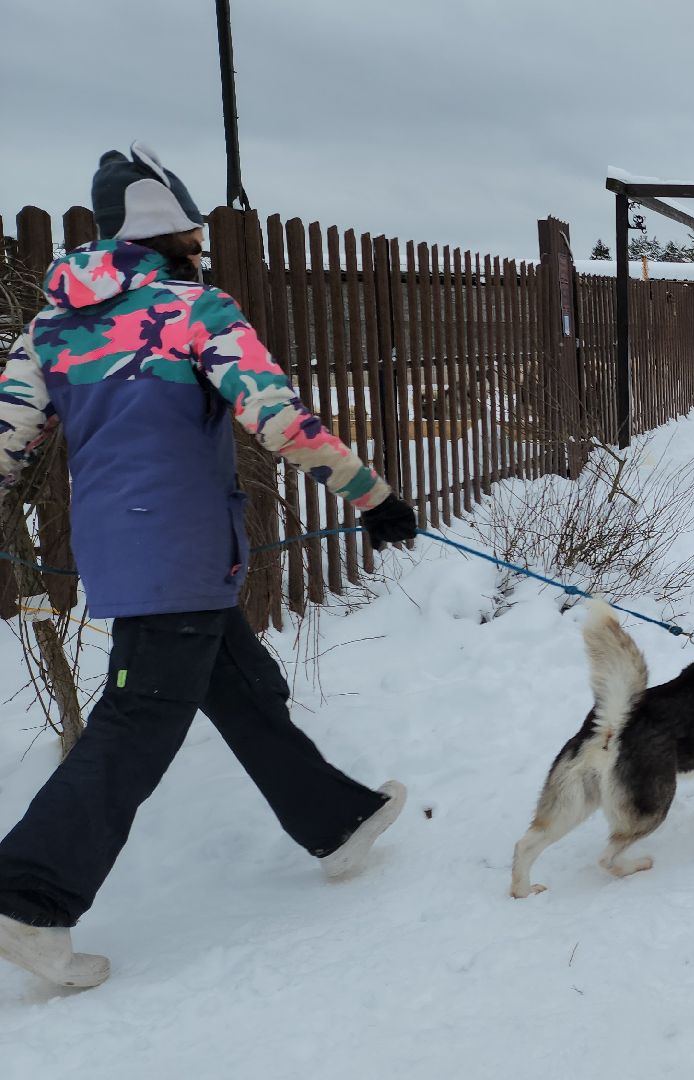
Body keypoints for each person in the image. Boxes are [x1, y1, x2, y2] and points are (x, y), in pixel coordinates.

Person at [0, 144, 419, 988]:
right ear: (172, 230)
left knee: (241, 685)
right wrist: (372, 497)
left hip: (126, 550)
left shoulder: (49, 329)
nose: (200, 243)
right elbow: (277, 419)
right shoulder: (192, 309)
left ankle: (336, 822)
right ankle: (31, 898)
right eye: (193, 229)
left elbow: (7, 445)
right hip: (183, 548)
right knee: (138, 724)